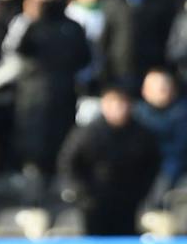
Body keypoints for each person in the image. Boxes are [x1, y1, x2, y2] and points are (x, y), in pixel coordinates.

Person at [58, 85, 162, 235]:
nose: (118, 109)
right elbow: (68, 162)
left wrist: (140, 191)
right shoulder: (88, 133)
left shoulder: (141, 134)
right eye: (113, 104)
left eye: (122, 104)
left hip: (128, 203)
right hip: (94, 203)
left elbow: (152, 164)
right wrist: (81, 192)